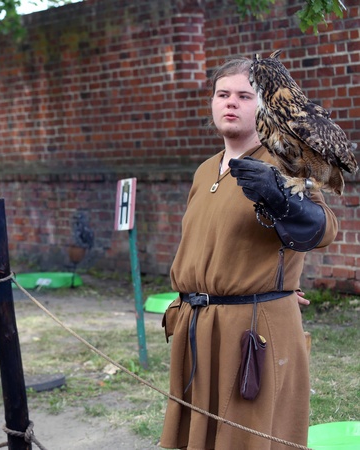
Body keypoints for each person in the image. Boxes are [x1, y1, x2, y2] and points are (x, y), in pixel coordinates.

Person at [160, 57, 338, 449]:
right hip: (199, 325)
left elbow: (323, 229)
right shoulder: (205, 170)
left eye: (244, 96)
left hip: (250, 329)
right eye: (222, 94)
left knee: (247, 437)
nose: (231, 102)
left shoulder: (286, 162)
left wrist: (281, 198)